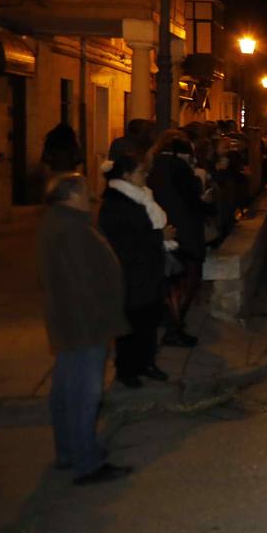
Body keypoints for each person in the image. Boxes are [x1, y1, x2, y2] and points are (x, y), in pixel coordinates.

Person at [38, 173, 133, 485]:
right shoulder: (71, 229)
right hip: (84, 324)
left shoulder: (60, 222)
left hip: (72, 322)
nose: (90, 197)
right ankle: (86, 462)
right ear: (70, 196)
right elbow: (83, 282)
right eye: (84, 192)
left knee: (68, 388)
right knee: (84, 393)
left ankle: (70, 450)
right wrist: (104, 318)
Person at [97, 151, 175, 389]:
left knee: (149, 319)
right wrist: (159, 237)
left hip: (147, 269)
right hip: (130, 272)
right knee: (132, 321)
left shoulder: (139, 196)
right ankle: (127, 369)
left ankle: (146, 362)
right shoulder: (116, 203)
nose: (146, 175)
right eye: (142, 171)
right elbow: (123, 239)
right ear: (127, 175)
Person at [146, 132, 208, 348]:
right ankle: (175, 326)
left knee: (170, 281)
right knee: (188, 278)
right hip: (185, 230)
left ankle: (172, 323)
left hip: (163, 227)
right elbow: (192, 201)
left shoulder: (152, 166)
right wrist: (208, 205)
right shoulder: (180, 168)